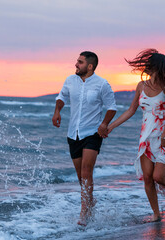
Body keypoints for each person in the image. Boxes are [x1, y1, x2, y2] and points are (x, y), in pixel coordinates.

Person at [107, 49, 165, 222]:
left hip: (164, 136)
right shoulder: (141, 86)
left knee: (158, 177)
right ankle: (156, 214)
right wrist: (111, 126)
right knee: (148, 178)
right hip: (146, 138)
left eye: (148, 64)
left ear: (155, 66)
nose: (145, 67)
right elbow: (131, 110)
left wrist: (164, 135)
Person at [52, 51, 117, 225]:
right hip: (73, 133)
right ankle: (90, 201)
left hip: (93, 133)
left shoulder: (102, 84)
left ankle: (83, 213)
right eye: (77, 61)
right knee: (81, 176)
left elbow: (112, 107)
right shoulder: (70, 80)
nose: (76, 64)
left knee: (86, 172)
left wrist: (104, 124)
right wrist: (57, 111)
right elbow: (61, 97)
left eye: (80, 62)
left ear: (90, 66)